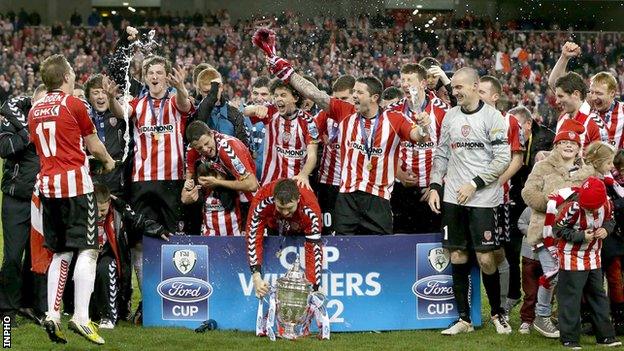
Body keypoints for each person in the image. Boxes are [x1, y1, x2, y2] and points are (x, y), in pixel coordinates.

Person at [252, 30, 429, 235]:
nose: (354, 96)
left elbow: (418, 136)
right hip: (346, 197)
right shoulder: (345, 112)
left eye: (359, 93)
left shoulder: (394, 119)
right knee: (344, 249)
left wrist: (424, 126)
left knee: (379, 252)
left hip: (378, 198)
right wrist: (287, 73)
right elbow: (314, 94)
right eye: (353, 92)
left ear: (374, 97)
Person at [28, 54, 115, 345]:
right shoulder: (73, 103)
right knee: (88, 250)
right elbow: (93, 143)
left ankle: (52, 314)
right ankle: (80, 316)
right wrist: (108, 160)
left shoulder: (35, 109)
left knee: (61, 252)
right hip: (76, 187)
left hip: (49, 188)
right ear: (65, 76)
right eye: (72, 73)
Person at [427, 67, 511, 335]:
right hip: (453, 196)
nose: (455, 92)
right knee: (457, 255)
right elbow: (441, 154)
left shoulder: (494, 118)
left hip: (483, 199)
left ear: (476, 86)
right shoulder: (450, 117)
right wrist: (434, 186)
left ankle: (498, 314)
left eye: (460, 87)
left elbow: (502, 159)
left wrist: (474, 184)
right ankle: (464, 319)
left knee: (486, 259)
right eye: (454, 88)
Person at [521, 119, 597, 339]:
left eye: (573, 144)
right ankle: (541, 316)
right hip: (545, 231)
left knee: (569, 277)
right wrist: (551, 205)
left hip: (573, 232)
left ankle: (565, 317)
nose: (569, 146)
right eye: (564, 142)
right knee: (553, 274)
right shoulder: (542, 166)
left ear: (579, 147)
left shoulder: (586, 170)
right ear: (556, 144)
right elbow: (527, 192)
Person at [549, 177, 621, 348]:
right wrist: (580, 236)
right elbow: (557, 229)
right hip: (570, 257)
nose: (589, 210)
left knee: (598, 296)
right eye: (587, 207)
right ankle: (570, 338)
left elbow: (611, 221)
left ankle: (605, 336)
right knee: (571, 298)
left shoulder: (608, 204)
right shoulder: (572, 207)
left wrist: (606, 230)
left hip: (594, 256)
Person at [92, 183, 171, 329]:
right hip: (88, 255)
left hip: (111, 255)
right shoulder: (82, 210)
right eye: (96, 210)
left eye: (102, 210)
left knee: (105, 266)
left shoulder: (120, 209)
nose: (99, 214)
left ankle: (108, 317)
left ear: (109, 203)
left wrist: (158, 230)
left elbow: (138, 221)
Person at [477, 75, 526, 313]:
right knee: (476, 251)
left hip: (497, 198)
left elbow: (517, 159)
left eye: (482, 92)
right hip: (470, 197)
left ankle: (504, 305)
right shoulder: (469, 120)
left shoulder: (510, 122)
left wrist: (496, 182)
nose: (478, 96)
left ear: (495, 96)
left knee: (498, 250)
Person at [0, 85, 47, 326]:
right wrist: (28, 131)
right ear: (32, 100)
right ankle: (6, 309)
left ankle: (31, 305)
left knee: (37, 255)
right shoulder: (13, 116)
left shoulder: (53, 120)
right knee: (12, 256)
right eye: (38, 103)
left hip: (43, 199)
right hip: (15, 198)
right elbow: (4, 149)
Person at [387, 63, 447, 234]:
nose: (405, 84)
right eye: (403, 79)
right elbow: (386, 149)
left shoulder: (442, 111)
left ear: (423, 84)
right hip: (401, 189)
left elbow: (450, 151)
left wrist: (436, 184)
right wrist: (399, 173)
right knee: (401, 239)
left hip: (433, 188)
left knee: (433, 241)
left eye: (410, 80)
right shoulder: (392, 110)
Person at [247, 179, 323, 297]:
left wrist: (314, 286)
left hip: (301, 227)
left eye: (289, 208)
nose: (285, 212)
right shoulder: (263, 198)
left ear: (298, 199)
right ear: (274, 199)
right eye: (281, 207)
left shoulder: (310, 206)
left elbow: (313, 248)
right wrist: (256, 276)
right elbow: (253, 235)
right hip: (274, 226)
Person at [183, 120, 259, 235]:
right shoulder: (192, 151)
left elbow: (252, 185)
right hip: (226, 201)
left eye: (207, 143)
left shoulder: (228, 148)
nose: (204, 149)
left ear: (211, 134)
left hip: (247, 201)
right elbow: (185, 194)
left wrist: (217, 182)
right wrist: (188, 192)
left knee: (244, 246)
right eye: (199, 148)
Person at [243, 79, 319, 188]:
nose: (278, 99)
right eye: (276, 95)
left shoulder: (309, 122)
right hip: (270, 181)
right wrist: (256, 108)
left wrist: (303, 174)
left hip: (296, 182)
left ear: (295, 98)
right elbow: (246, 111)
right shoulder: (271, 112)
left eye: (283, 95)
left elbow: (312, 156)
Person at [584, 141, 624, 333]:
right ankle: (595, 318)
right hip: (595, 235)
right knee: (595, 279)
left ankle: (618, 317)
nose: (612, 167)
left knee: (614, 276)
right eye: (609, 163)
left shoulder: (609, 181)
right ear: (598, 161)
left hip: (610, 235)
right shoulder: (587, 178)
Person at [314, 75, 355, 234]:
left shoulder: (359, 117)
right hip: (328, 182)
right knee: (327, 229)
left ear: (354, 96)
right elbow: (310, 131)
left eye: (344, 98)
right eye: (336, 98)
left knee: (348, 229)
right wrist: (319, 137)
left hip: (352, 184)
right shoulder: (326, 114)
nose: (340, 103)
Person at [548, 42, 604, 149]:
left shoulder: (594, 117)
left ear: (576, 94)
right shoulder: (563, 118)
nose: (557, 101)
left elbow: (600, 160)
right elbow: (554, 83)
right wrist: (564, 57)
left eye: (560, 96)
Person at [83, 74, 128, 197]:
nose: (101, 96)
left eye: (104, 92)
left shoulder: (119, 113)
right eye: (96, 93)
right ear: (88, 96)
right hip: (93, 177)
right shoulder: (84, 116)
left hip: (118, 175)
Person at [588, 72, 624, 149]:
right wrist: (564, 59)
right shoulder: (586, 108)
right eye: (591, 92)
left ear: (612, 93)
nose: (593, 97)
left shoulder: (622, 110)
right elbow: (557, 87)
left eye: (599, 93)